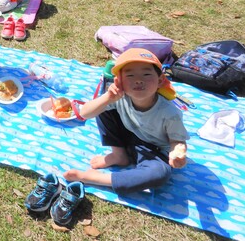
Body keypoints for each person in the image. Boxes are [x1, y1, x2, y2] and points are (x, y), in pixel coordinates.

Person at [63, 48, 188, 194]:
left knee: (160, 174)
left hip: (154, 151)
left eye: (146, 74)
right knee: (101, 106)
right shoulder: (119, 97)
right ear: (119, 81)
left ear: (160, 80)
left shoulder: (170, 113)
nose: (138, 80)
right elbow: (84, 113)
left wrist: (178, 151)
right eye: (130, 75)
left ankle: (95, 178)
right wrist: (107, 98)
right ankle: (119, 154)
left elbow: (177, 140)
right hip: (129, 135)